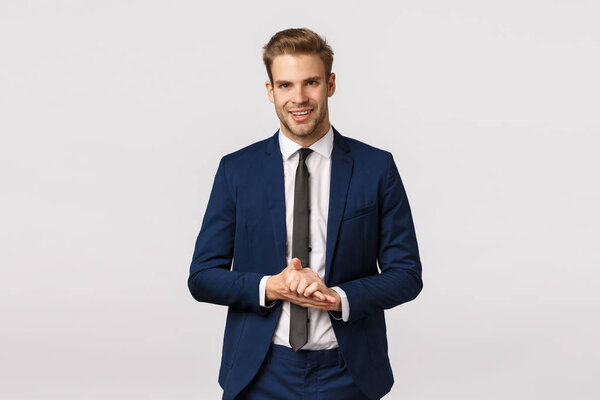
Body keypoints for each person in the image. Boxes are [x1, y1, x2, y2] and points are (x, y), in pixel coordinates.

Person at [188, 28, 423, 400]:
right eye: (285, 85)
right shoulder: (237, 170)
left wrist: (339, 298)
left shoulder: (376, 168)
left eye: (310, 82)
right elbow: (202, 276)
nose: (298, 98)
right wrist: (270, 287)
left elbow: (407, 274)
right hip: (260, 371)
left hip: (348, 372)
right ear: (270, 91)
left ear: (330, 84)